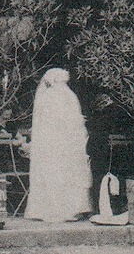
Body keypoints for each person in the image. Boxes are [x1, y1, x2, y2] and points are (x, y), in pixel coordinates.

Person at [23, 68, 93, 222]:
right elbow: (76, 125)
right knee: (63, 176)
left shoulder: (48, 97)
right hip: (62, 146)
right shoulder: (67, 96)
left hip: (55, 147)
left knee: (56, 176)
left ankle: (49, 209)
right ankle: (69, 209)